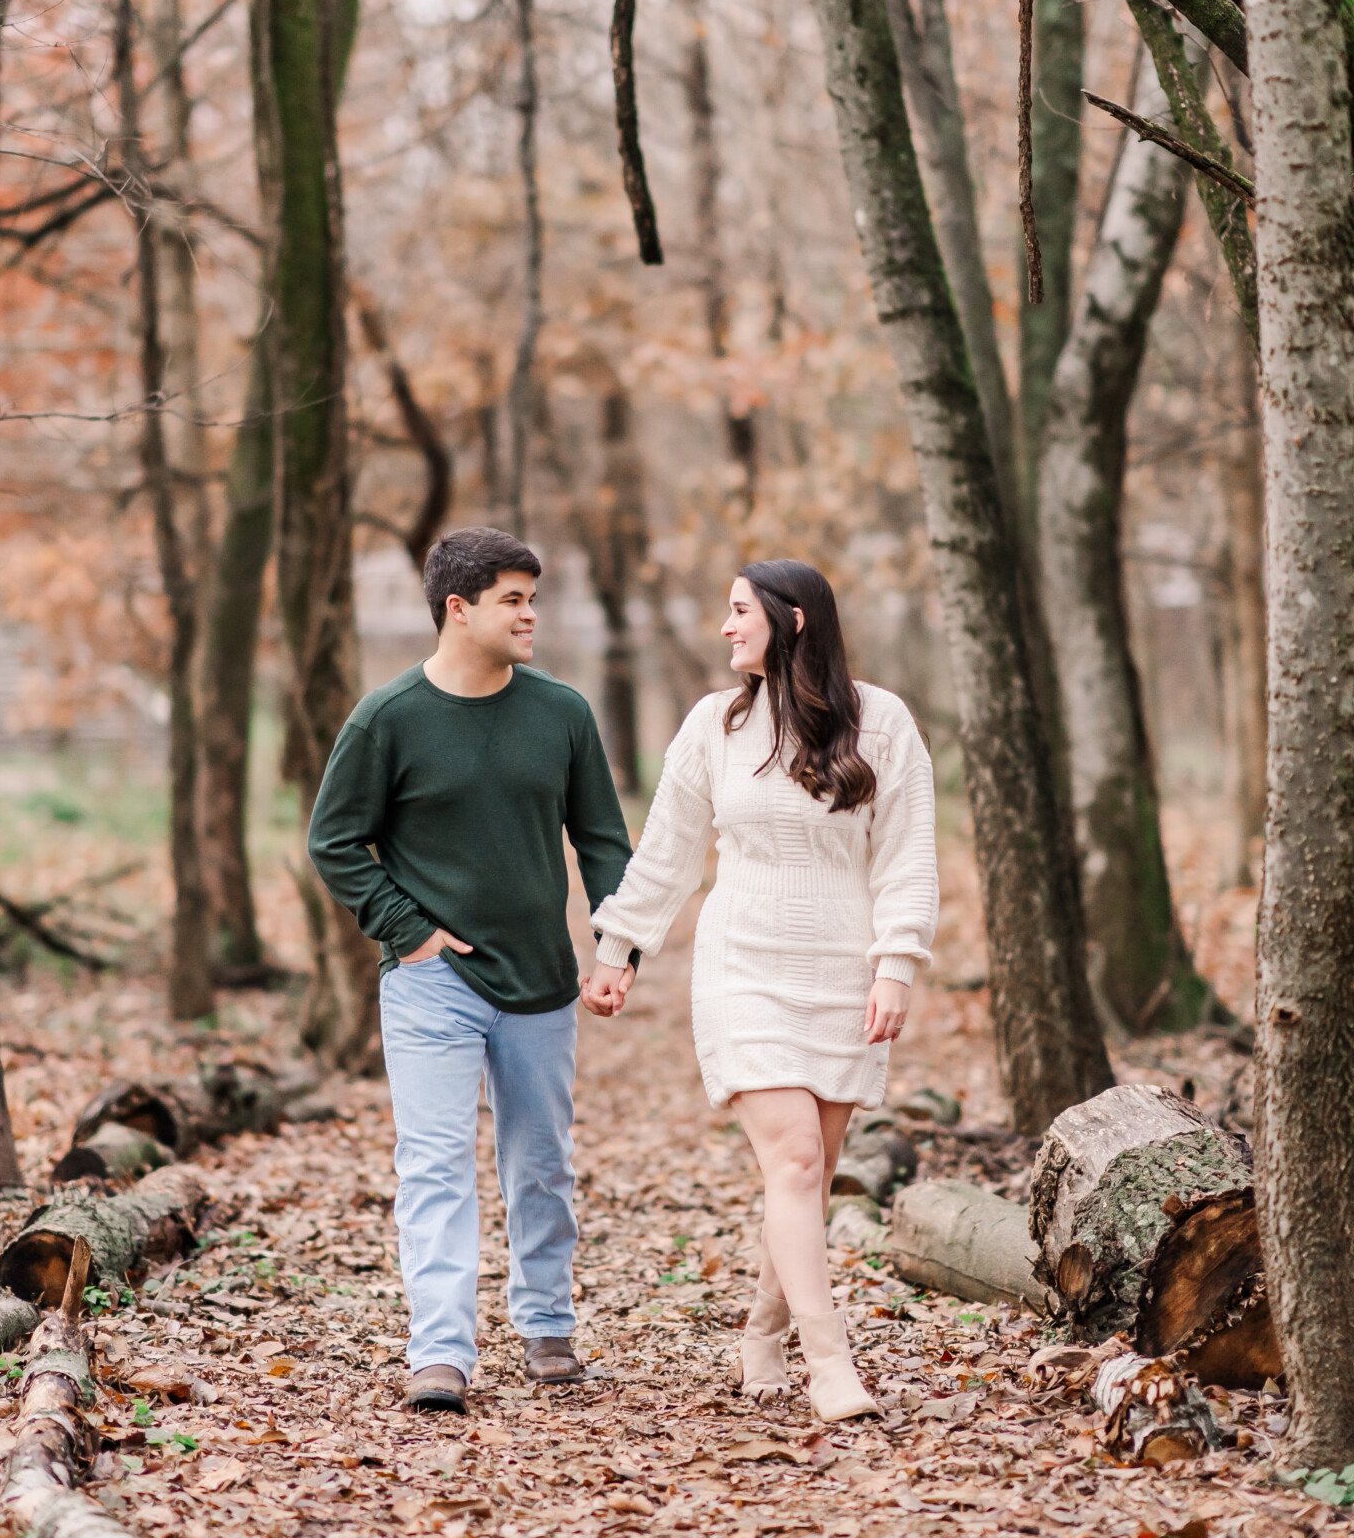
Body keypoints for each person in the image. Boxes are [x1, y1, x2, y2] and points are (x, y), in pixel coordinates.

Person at [581, 559, 937, 1422]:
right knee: (793, 1159)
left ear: (794, 620)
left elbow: (906, 856)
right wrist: (619, 944)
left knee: (807, 1181)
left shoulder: (880, 721)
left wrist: (896, 964)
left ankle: (763, 1334)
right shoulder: (714, 724)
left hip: (840, 970)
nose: (724, 627)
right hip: (742, 964)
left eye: (738, 611)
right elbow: (666, 849)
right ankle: (829, 1363)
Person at [308, 527, 637, 1416]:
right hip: (431, 984)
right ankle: (441, 1352)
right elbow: (333, 841)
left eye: (533, 598)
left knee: (540, 1163)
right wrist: (405, 930)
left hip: (541, 979)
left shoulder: (561, 712)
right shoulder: (388, 718)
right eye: (513, 599)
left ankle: (546, 1326)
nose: (531, 614)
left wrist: (617, 947)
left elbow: (603, 841)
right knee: (436, 1166)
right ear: (459, 608)